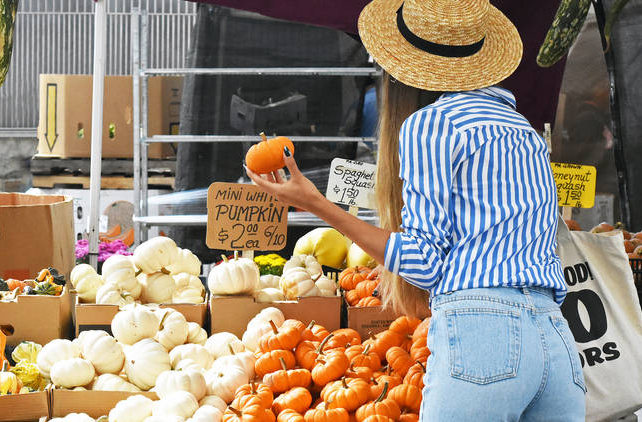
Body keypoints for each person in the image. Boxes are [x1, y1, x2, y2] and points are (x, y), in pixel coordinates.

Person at [245, 0, 586, 420]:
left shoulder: (433, 124)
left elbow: (423, 263)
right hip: (555, 336)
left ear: (402, 65)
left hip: (485, 333)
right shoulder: (524, 130)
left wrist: (315, 203)